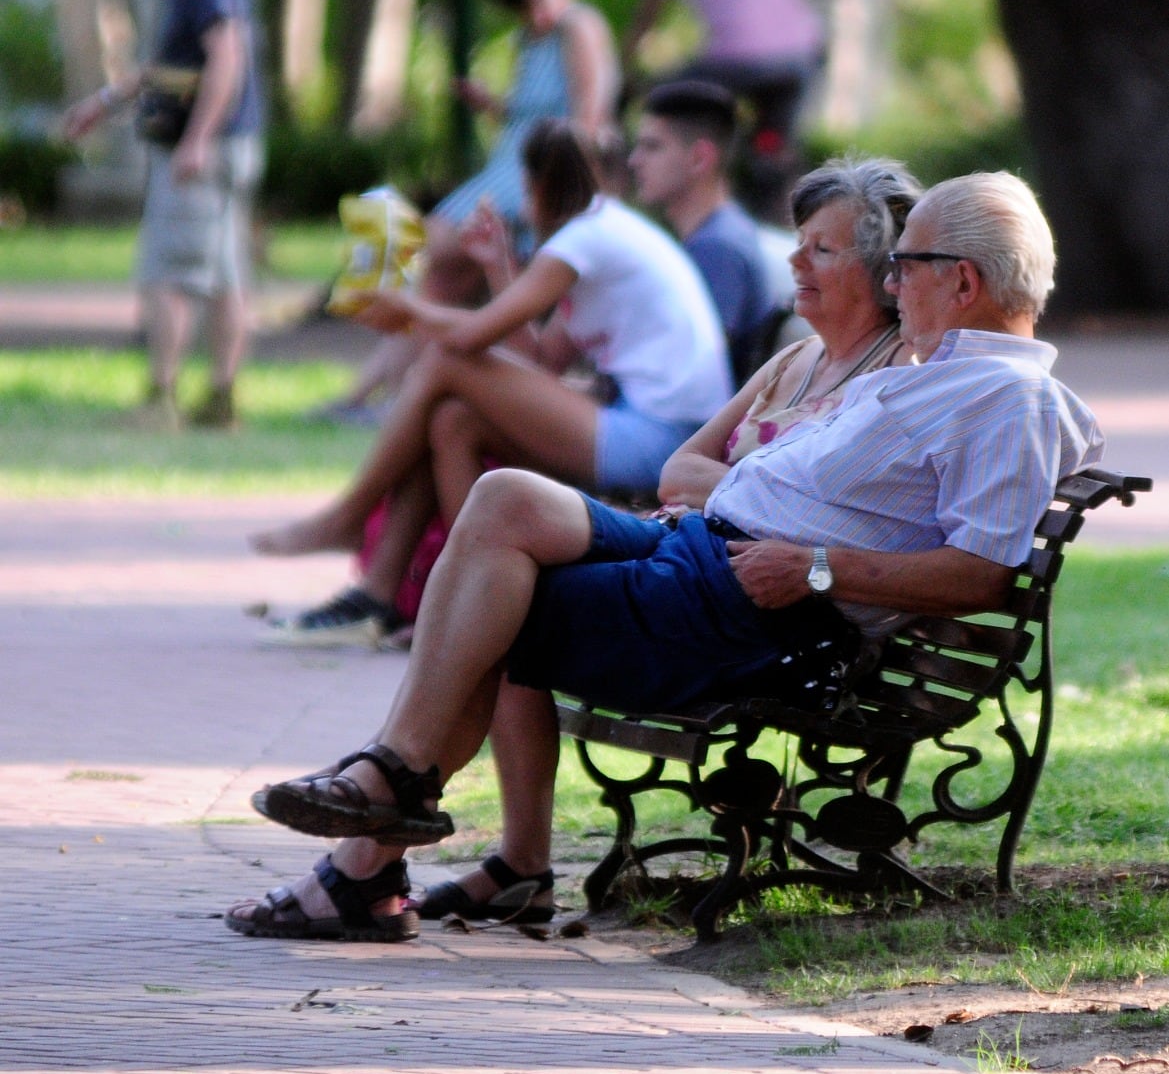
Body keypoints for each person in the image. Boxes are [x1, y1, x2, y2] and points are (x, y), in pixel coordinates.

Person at [227, 170, 1105, 942]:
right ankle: (394, 789)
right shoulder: (928, 370)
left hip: (751, 607)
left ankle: (367, 854)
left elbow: (979, 574)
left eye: (903, 263)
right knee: (504, 500)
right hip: (693, 547)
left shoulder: (1007, 398)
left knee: (484, 610)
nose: (890, 280)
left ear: (960, 280)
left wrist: (816, 568)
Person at [250, 119, 732, 647]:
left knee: (445, 363)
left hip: (659, 441)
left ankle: (350, 516)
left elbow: (476, 335)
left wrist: (408, 308)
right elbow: (545, 356)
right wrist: (500, 267)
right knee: (453, 420)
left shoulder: (582, 240)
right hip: (651, 431)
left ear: (538, 185)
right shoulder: (603, 232)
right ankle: (407, 595)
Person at [319, 0, 620, 424]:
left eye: (542, 1)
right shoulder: (529, 40)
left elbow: (589, 113)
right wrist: (492, 106)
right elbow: (529, 112)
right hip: (511, 168)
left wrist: (555, 195)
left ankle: (383, 390)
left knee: (426, 248)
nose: (538, 16)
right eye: (526, 10)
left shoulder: (579, 25)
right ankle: (382, 396)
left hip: (535, 178)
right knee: (438, 282)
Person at [62, 0, 264, 430]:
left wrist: (198, 137)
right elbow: (170, 68)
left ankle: (161, 398)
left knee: (169, 271)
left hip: (204, 152)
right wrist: (104, 104)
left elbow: (227, 57)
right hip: (228, 148)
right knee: (224, 276)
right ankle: (221, 400)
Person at [624, 0, 825, 219]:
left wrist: (626, 72)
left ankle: (672, 193)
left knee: (666, 98)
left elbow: (647, 18)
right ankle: (791, 216)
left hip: (737, 59)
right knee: (776, 146)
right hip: (801, 53)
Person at [628, 80, 773, 381]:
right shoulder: (715, 235)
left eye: (652, 147)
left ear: (700, 158)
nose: (634, 161)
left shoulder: (717, 248)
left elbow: (686, 372)